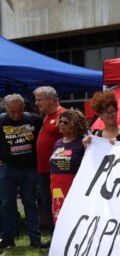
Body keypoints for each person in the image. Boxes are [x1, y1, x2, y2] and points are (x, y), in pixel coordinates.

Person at [0, 94, 47, 249]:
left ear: (24, 107)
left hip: (29, 168)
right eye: (12, 111)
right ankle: (7, 238)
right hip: (7, 168)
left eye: (19, 110)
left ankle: (35, 238)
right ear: (5, 108)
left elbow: (42, 139)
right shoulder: (1, 120)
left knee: (30, 202)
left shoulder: (34, 119)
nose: (16, 115)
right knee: (7, 203)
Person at [33, 86, 65, 232]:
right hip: (44, 170)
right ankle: (54, 236)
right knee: (47, 203)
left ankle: (60, 235)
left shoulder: (63, 116)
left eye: (39, 100)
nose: (36, 103)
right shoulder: (47, 116)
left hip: (57, 170)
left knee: (58, 203)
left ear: (51, 99)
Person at [49, 110, 88, 226]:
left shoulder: (82, 142)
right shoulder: (57, 143)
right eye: (60, 121)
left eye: (65, 122)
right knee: (58, 214)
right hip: (56, 186)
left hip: (74, 185)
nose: (61, 124)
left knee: (73, 216)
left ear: (75, 125)